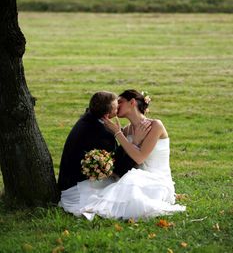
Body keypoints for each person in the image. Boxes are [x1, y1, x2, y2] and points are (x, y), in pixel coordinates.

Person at [60, 89, 186, 220]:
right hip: (132, 176)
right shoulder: (126, 130)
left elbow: (139, 157)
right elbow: (120, 159)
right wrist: (126, 137)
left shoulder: (155, 125)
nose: (116, 106)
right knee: (96, 188)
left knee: (130, 185)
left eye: (120, 102)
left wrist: (117, 134)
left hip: (156, 180)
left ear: (132, 102)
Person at [58, 91, 136, 192]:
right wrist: (133, 143)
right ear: (107, 115)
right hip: (76, 182)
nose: (119, 108)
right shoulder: (100, 133)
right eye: (116, 108)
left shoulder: (89, 117)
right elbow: (117, 167)